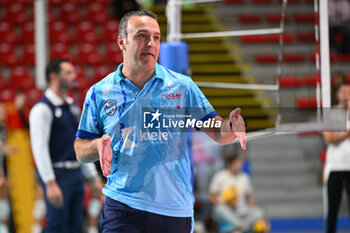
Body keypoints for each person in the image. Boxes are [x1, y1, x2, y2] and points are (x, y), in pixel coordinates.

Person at [74, 10, 247, 233]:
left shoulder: (181, 86)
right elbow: (80, 150)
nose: (151, 43)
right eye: (141, 36)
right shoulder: (99, 92)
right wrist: (98, 145)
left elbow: (214, 129)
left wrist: (230, 126)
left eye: (156, 37)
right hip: (122, 204)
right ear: (121, 42)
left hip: (173, 209)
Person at [29, 58, 104, 233]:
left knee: (75, 227)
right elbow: (39, 148)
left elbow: (79, 146)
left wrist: (93, 178)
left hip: (76, 175)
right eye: (68, 72)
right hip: (57, 175)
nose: (74, 76)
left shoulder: (72, 107)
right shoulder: (42, 109)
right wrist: (49, 182)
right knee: (57, 226)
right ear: (54, 77)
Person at [209, 154, 269, 233]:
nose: (240, 164)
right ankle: (242, 226)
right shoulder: (220, 176)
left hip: (242, 211)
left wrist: (261, 217)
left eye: (241, 162)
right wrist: (225, 201)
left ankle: (240, 228)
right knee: (219, 209)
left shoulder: (244, 178)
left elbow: (249, 198)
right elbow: (212, 197)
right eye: (238, 162)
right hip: (227, 210)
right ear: (231, 163)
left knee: (259, 212)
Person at [323, 82, 350, 233]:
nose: (347, 95)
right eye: (344, 92)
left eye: (349, 92)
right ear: (337, 95)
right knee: (333, 209)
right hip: (336, 167)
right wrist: (347, 134)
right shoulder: (331, 113)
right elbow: (328, 139)